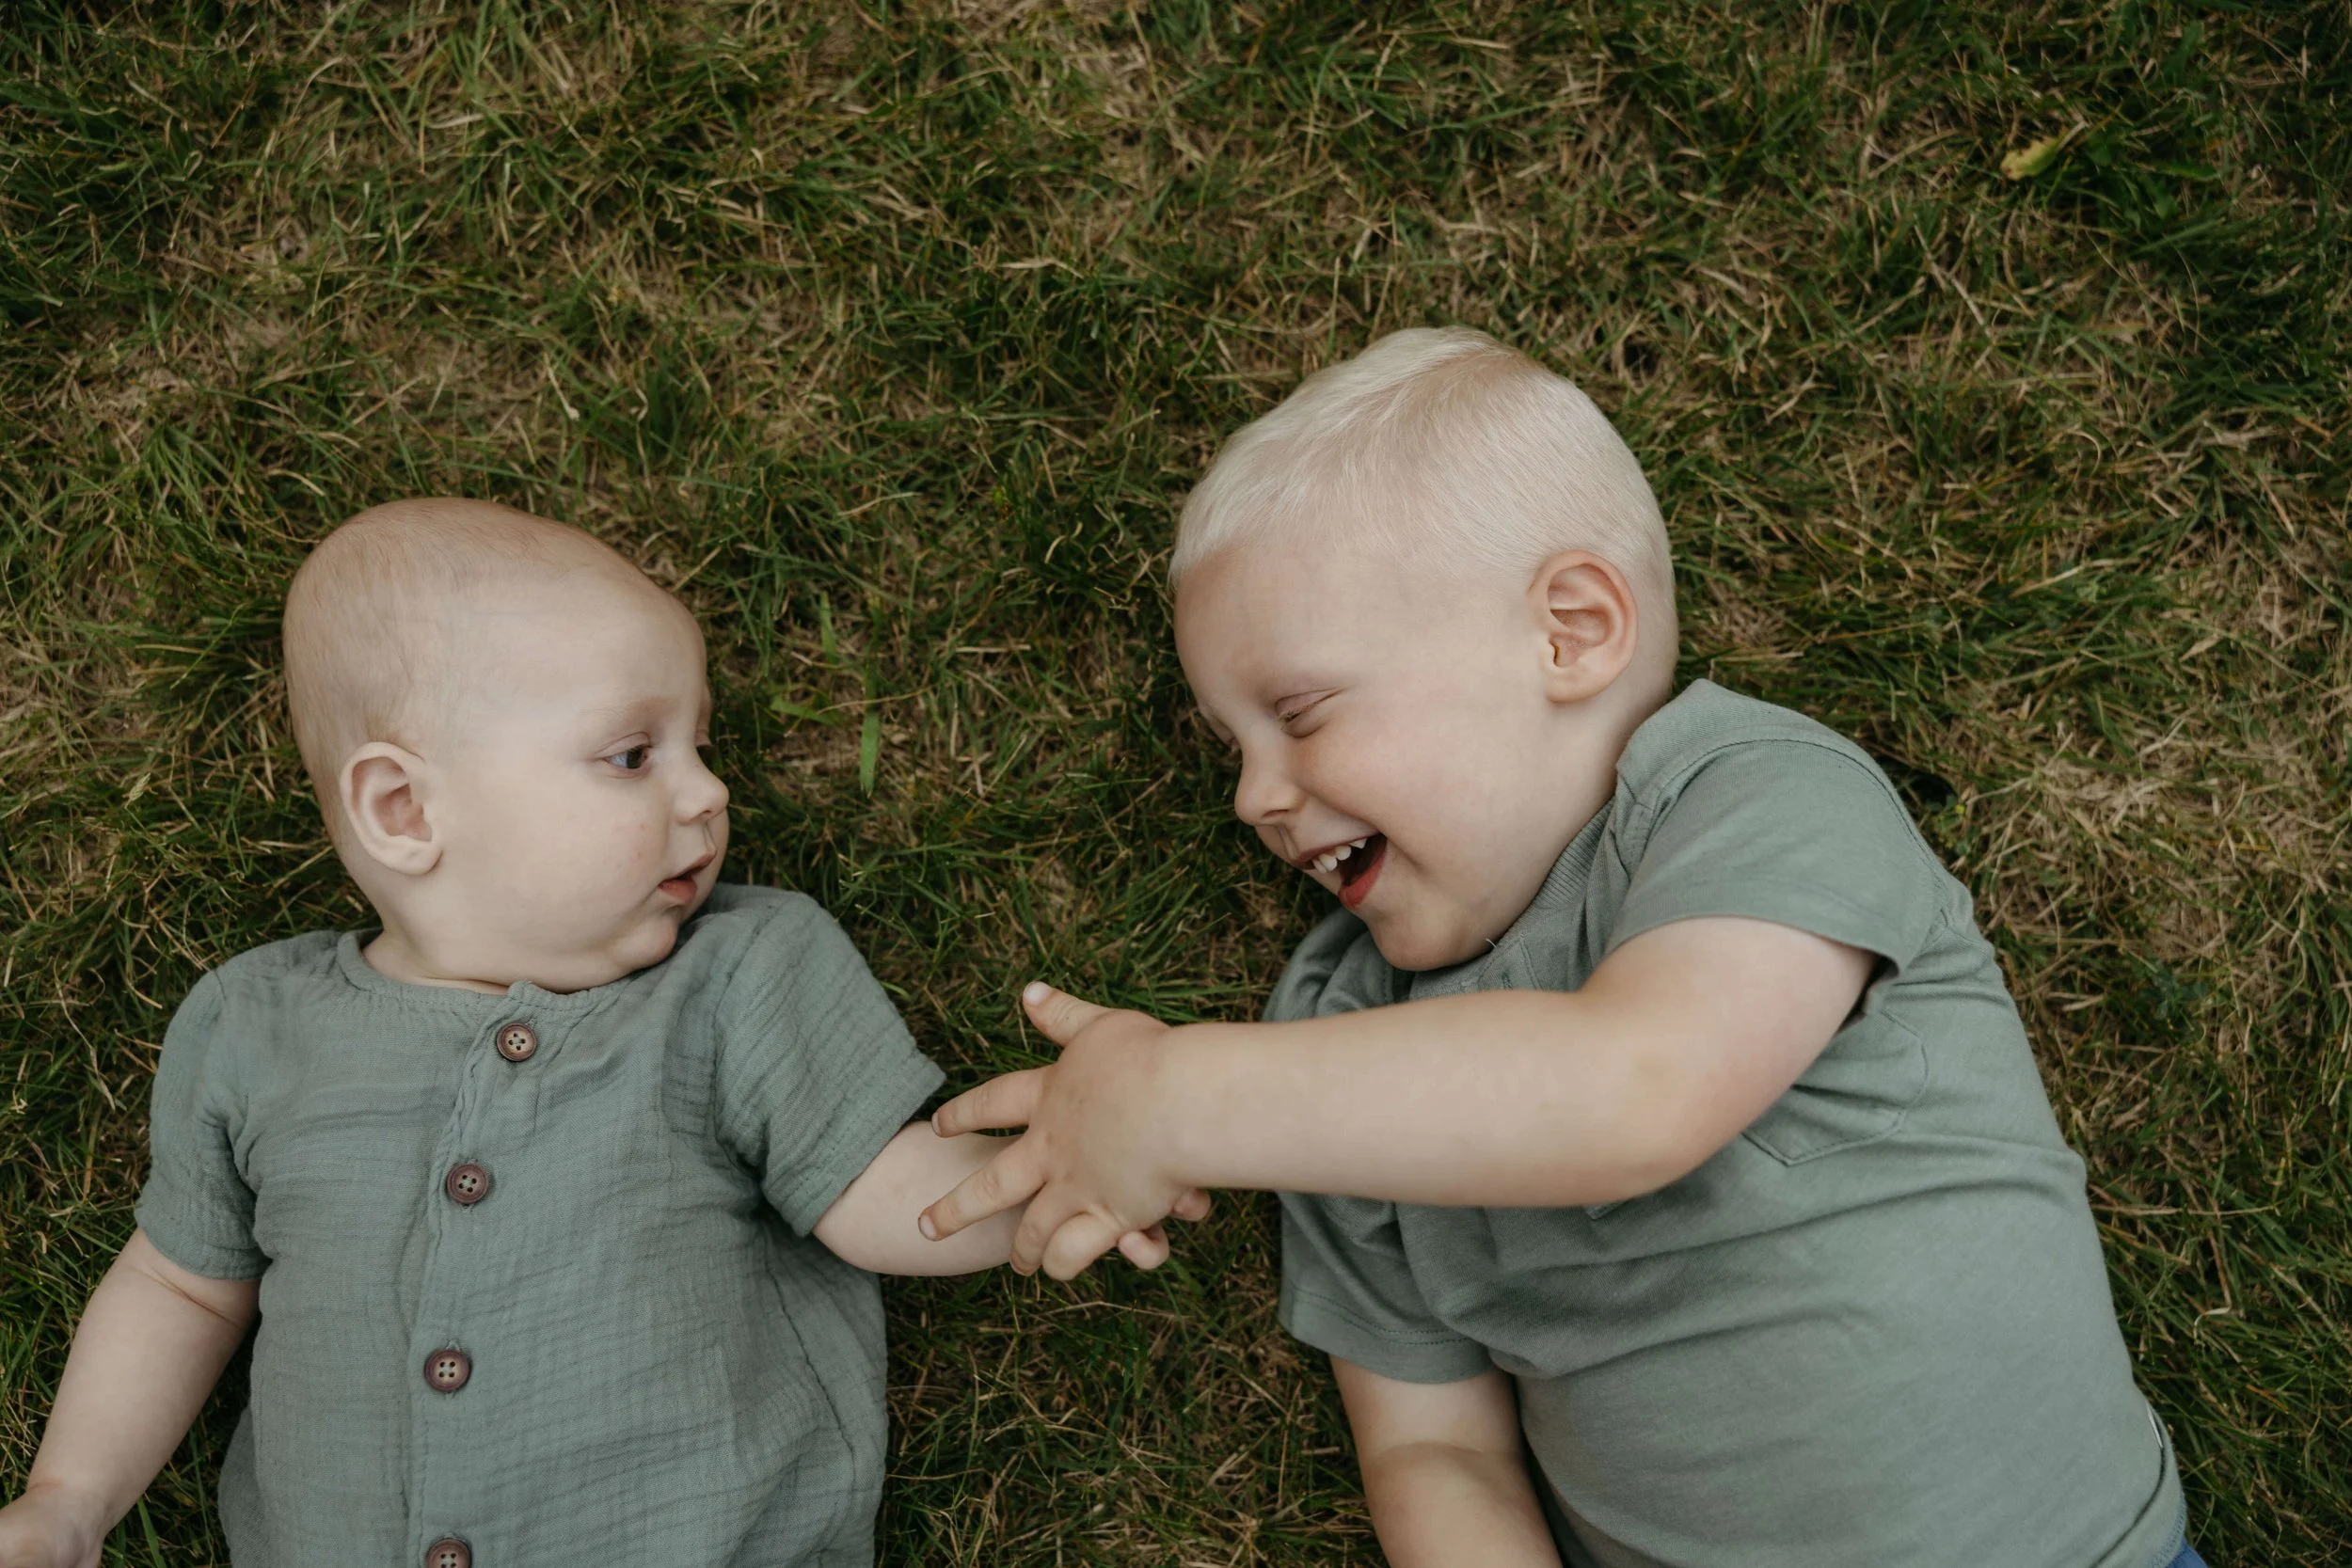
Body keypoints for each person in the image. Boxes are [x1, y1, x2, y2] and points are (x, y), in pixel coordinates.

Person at [917, 328, 2206, 1568]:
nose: (1254, 794)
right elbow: (1434, 1448)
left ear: (1570, 632)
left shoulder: (1746, 795)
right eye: (1231, 748)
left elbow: (1637, 1087)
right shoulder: (1324, 1042)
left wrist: (1174, 1096)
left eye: (1298, 711)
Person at [0, 499, 1198, 1568]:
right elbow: (180, 1285)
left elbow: (881, 1195)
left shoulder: (739, 970)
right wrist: (69, 1499)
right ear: (405, 808)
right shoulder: (255, 1025)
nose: (708, 791)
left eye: (699, 743)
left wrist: (1077, 1155)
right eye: (634, 754)